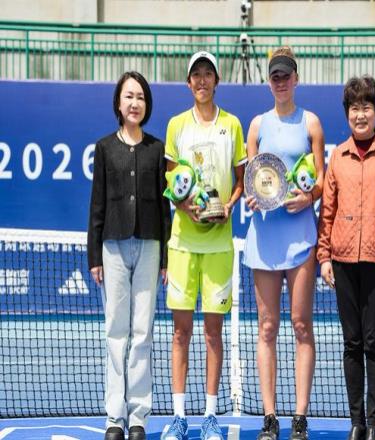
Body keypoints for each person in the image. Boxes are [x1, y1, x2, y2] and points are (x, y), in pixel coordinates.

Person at [317, 75, 375, 440]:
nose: (360, 115)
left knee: (374, 342)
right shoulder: (338, 157)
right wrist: (324, 256)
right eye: (354, 108)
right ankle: (355, 422)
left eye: (366, 108)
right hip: (342, 260)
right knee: (352, 342)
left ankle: (373, 424)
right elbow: (327, 210)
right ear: (347, 113)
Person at [162, 51, 246, 440]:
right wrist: (185, 208)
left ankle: (210, 416)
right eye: (195, 75)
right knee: (181, 333)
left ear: (217, 80)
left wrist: (228, 207)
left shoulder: (232, 125)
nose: (201, 80)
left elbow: (242, 179)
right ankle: (179, 417)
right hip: (182, 243)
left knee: (213, 332)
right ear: (188, 83)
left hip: (219, 246)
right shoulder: (176, 125)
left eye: (207, 74)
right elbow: (170, 181)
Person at [243, 46, 325, 440]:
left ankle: (300, 418)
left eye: (285, 76)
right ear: (269, 82)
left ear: (296, 79)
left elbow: (322, 180)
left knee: (302, 325)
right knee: (267, 327)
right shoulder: (257, 125)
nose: (280, 82)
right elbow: (252, 180)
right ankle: (270, 417)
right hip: (265, 237)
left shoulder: (311, 123)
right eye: (274, 77)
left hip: (301, 237)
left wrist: (309, 198)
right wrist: (251, 197)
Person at [87, 71, 171, 440]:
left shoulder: (156, 148)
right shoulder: (104, 148)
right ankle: (114, 418)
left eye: (140, 97)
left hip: (150, 244)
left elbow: (165, 208)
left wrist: (165, 256)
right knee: (115, 332)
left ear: (146, 104)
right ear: (118, 104)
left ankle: (138, 417)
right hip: (113, 246)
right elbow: (97, 204)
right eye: (129, 96)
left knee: (142, 333)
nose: (135, 103)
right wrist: (94, 255)